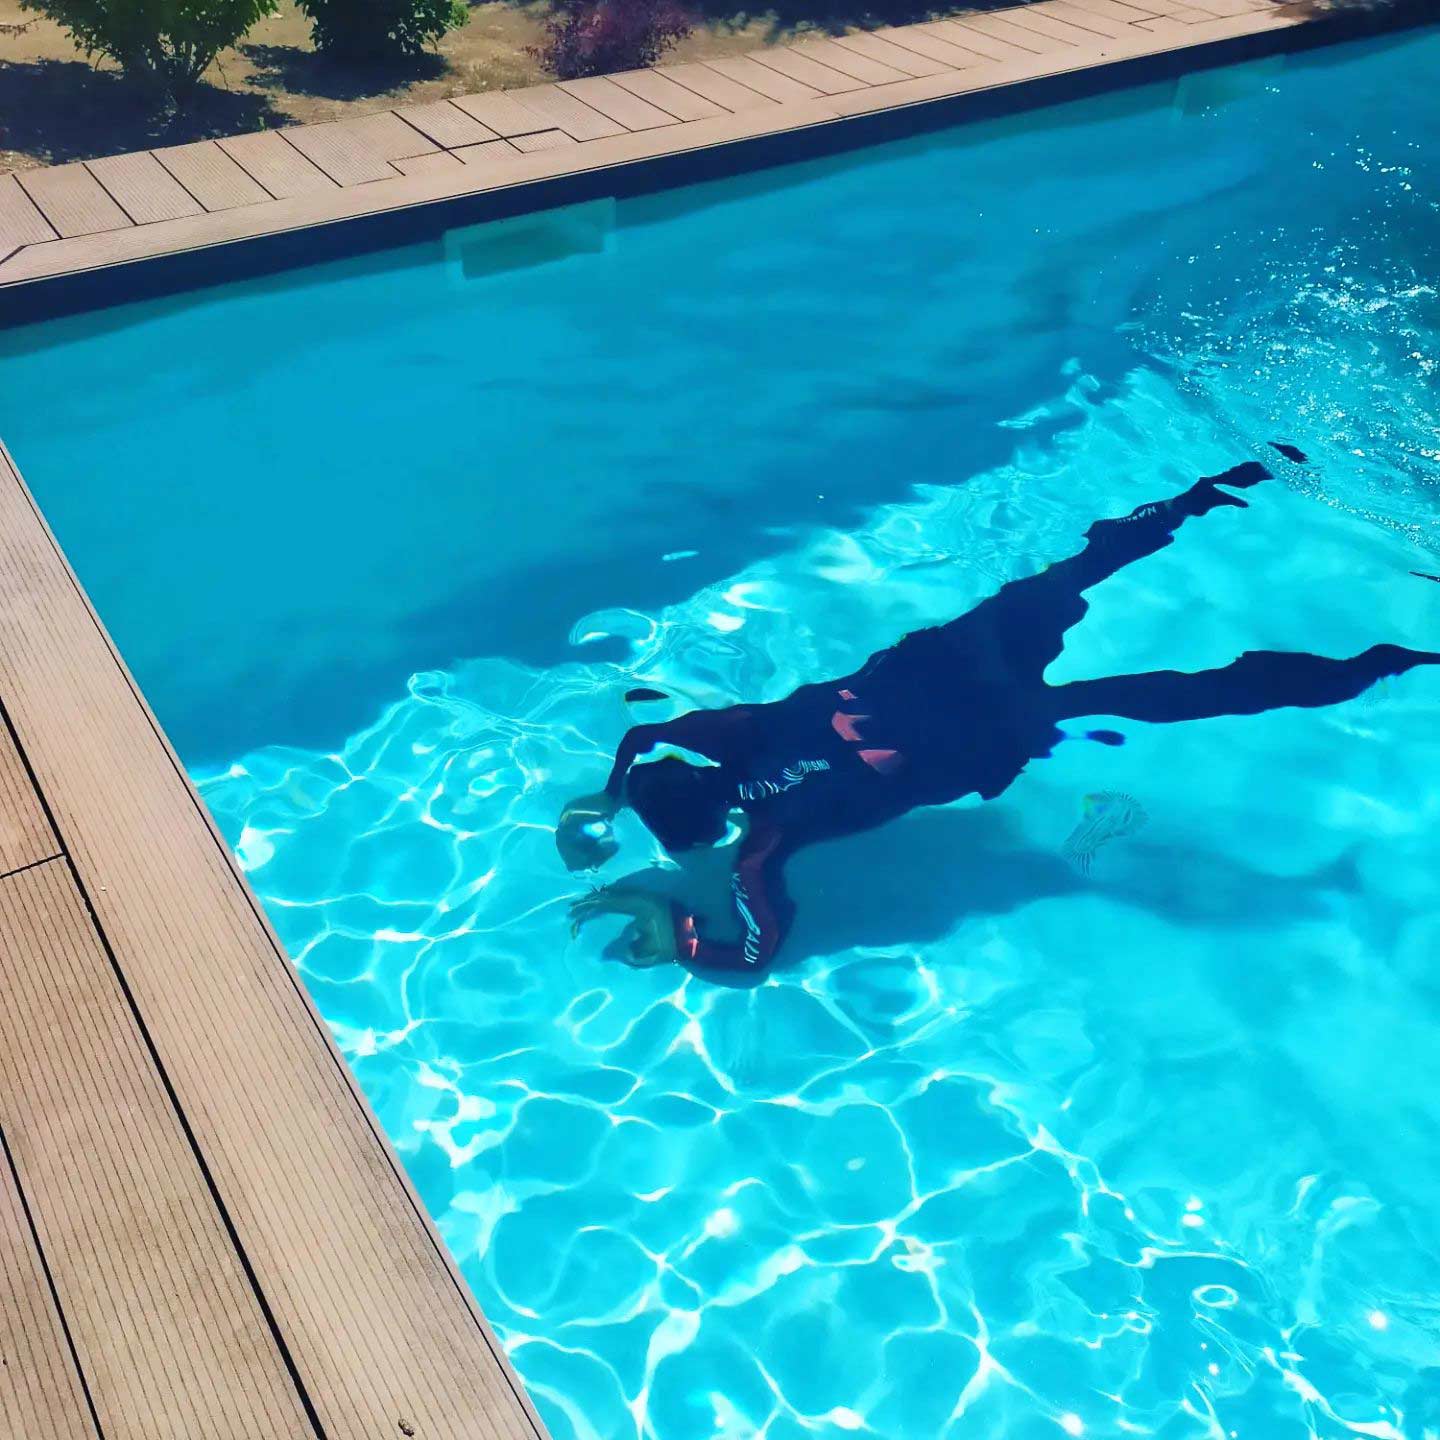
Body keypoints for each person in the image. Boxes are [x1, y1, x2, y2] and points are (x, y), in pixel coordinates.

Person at [558, 455, 1439, 974]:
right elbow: (642, 739)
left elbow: (756, 957)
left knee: (1175, 697)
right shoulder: (726, 736)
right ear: (690, 777)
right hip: (953, 667)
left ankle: (1382, 665)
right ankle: (1209, 491)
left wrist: (676, 936)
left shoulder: (762, 848)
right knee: (1074, 575)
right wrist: (607, 794)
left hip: (988, 730)